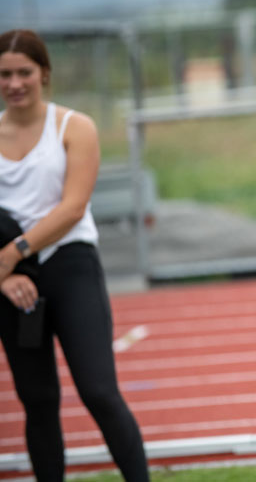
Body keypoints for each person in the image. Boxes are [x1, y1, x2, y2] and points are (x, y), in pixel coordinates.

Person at [0, 29, 150, 481]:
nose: (14, 83)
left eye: (24, 72)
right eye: (4, 74)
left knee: (99, 390)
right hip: (10, 280)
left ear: (44, 73)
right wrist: (5, 274)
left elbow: (72, 208)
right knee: (38, 399)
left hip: (69, 266)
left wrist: (13, 251)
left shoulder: (74, 126)